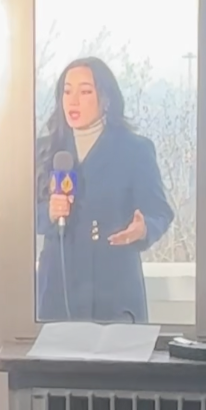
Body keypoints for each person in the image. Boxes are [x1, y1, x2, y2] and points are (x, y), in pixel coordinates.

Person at [36, 57, 174, 323]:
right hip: (59, 287)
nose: (73, 100)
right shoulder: (45, 149)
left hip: (115, 289)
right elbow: (23, 215)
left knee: (113, 364)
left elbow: (160, 212)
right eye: (67, 91)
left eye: (85, 91)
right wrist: (50, 213)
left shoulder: (134, 150)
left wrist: (144, 228)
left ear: (106, 99)